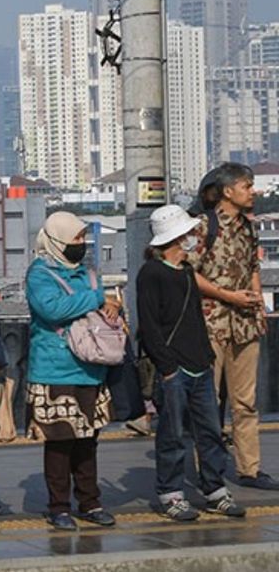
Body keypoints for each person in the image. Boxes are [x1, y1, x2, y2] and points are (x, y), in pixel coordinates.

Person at [137, 205, 247, 522]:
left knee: (211, 432)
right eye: (188, 233)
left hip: (200, 364)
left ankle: (214, 490)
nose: (193, 238)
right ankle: (171, 494)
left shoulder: (186, 271)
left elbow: (195, 318)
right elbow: (150, 325)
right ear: (176, 237)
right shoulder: (152, 273)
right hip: (174, 369)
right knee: (171, 434)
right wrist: (167, 366)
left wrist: (206, 357)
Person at [187, 163, 279, 490]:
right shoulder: (202, 227)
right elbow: (188, 273)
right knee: (207, 402)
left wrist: (257, 307)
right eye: (246, 186)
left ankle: (249, 469)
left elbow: (253, 267)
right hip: (210, 324)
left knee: (246, 402)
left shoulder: (248, 227)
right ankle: (208, 471)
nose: (252, 191)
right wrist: (227, 295)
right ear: (228, 191)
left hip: (244, 324)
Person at [25, 212, 118, 532]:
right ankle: (59, 506)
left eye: (82, 238)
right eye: (75, 239)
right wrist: (96, 299)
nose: (81, 244)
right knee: (59, 442)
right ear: (55, 241)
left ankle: (91, 502)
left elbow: (97, 307)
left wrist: (108, 305)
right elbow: (51, 309)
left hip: (91, 370)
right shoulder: (39, 274)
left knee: (87, 442)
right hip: (54, 372)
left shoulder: (88, 274)